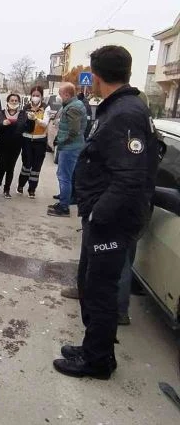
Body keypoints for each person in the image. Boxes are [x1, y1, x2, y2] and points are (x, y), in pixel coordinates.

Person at [53, 45, 161, 379]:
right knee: (90, 283)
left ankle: (97, 361)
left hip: (110, 221)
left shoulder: (125, 113)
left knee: (100, 290)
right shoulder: (120, 108)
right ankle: (94, 348)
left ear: (97, 77)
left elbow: (129, 178)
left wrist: (97, 215)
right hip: (104, 218)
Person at [47, 83, 86, 217]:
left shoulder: (73, 107)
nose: (59, 97)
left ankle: (64, 207)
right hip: (73, 146)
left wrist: (62, 141)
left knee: (64, 176)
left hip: (70, 147)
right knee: (70, 175)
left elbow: (74, 130)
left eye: (60, 94)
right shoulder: (74, 104)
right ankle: (67, 198)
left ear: (67, 95)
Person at [17, 86, 49, 198]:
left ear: (41, 97)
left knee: (36, 167)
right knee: (26, 165)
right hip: (27, 140)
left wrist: (35, 119)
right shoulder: (26, 107)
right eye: (33, 95)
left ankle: (32, 189)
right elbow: (21, 122)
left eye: (37, 95)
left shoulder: (46, 108)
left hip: (40, 140)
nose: (35, 97)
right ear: (31, 96)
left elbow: (45, 123)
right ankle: (21, 185)